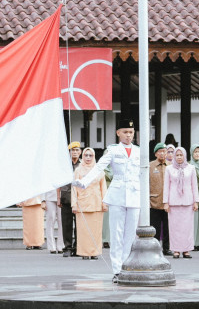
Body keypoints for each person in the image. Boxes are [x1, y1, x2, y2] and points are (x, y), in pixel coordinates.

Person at [74, 119, 140, 281]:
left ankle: (128, 266)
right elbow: (98, 167)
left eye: (131, 132)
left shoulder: (139, 151)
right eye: (125, 132)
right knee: (117, 234)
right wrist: (84, 182)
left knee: (131, 235)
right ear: (118, 133)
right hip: (117, 194)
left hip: (134, 194)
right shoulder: (112, 150)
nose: (128, 135)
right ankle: (117, 269)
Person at [72, 147, 107, 260]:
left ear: (94, 156)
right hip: (82, 203)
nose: (88, 158)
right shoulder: (78, 170)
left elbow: (103, 188)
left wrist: (105, 203)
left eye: (90, 155)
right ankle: (84, 252)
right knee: (83, 231)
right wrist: (74, 204)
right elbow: (74, 188)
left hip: (96, 203)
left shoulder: (98, 170)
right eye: (86, 155)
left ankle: (95, 252)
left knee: (96, 230)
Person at [163, 147, 199, 259]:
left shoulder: (191, 168)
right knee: (174, 228)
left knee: (187, 227)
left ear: (185, 156)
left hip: (188, 201)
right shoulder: (169, 169)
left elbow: (194, 185)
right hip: (173, 201)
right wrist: (166, 202)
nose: (179, 157)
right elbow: (166, 186)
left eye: (181, 155)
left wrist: (196, 201)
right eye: (177, 155)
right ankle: (176, 250)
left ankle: (186, 250)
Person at [59, 141, 82, 257]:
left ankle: (77, 247)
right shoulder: (64, 165)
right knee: (66, 225)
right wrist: (58, 198)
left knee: (79, 225)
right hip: (66, 197)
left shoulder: (83, 165)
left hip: (79, 199)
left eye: (77, 150)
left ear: (80, 152)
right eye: (72, 150)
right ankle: (67, 247)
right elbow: (59, 182)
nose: (75, 152)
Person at [149, 142, 172, 255]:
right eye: (160, 152)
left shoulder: (170, 166)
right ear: (156, 153)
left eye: (164, 151)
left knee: (168, 227)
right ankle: (156, 248)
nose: (162, 154)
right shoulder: (150, 166)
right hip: (154, 201)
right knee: (155, 227)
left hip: (168, 202)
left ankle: (167, 248)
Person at [44, 187, 62, 254]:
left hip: (62, 196)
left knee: (61, 221)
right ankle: (51, 246)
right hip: (49, 197)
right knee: (50, 221)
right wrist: (43, 200)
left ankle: (61, 245)